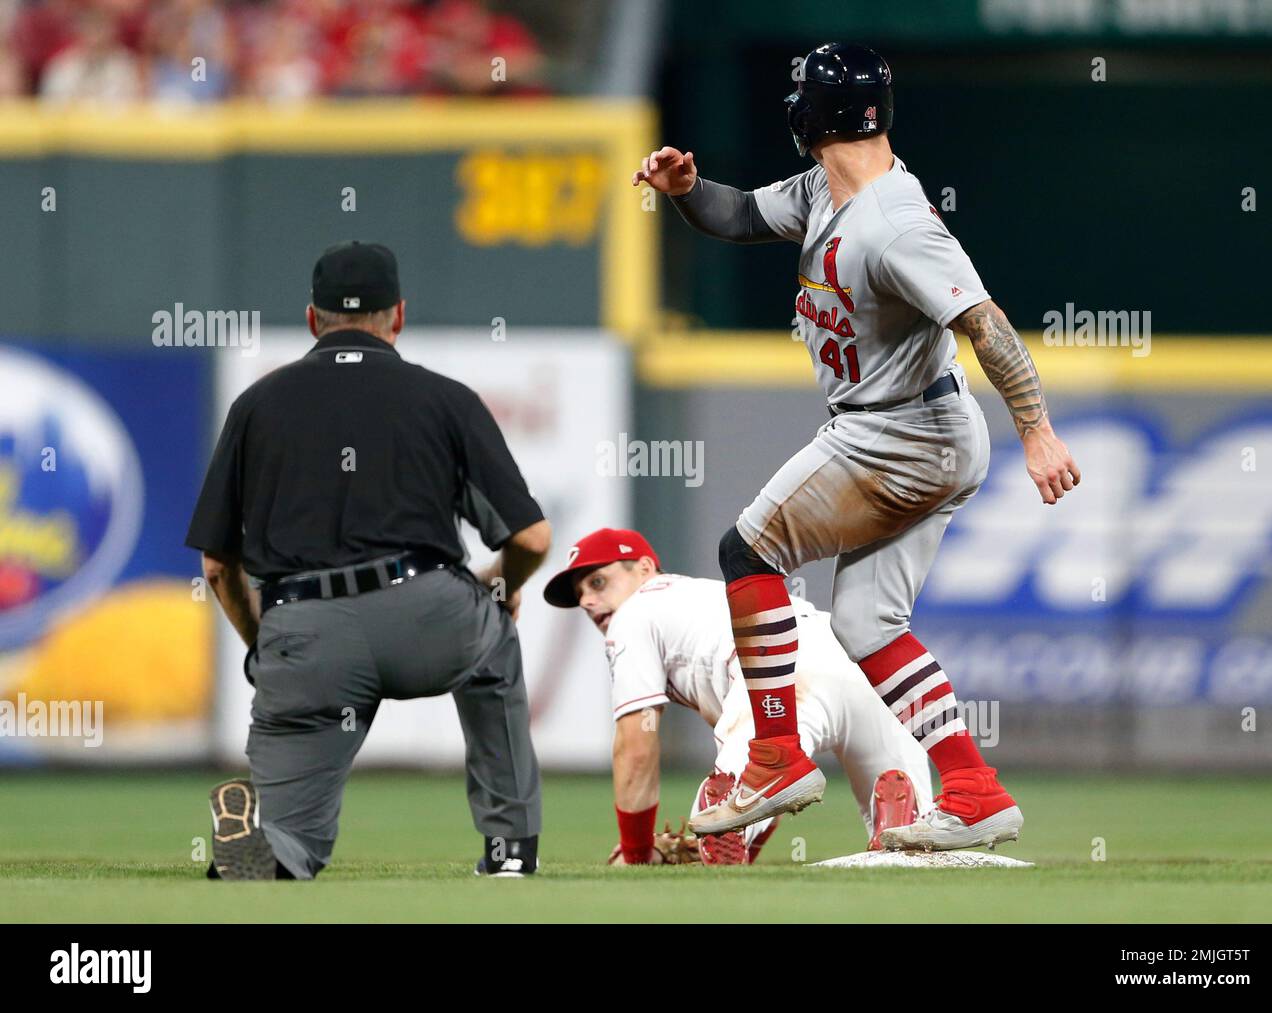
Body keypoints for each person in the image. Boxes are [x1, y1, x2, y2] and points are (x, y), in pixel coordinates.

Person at [632, 44, 1080, 850]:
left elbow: (984, 322)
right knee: (867, 624)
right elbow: (738, 216)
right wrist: (688, 189)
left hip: (900, 429)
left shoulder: (892, 220)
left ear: (814, 117)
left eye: (799, 97)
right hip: (912, 427)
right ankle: (976, 787)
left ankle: (774, 755)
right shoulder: (826, 190)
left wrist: (1038, 430)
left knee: (749, 550)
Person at [187, 241, 551, 879]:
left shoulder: (256, 406)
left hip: (304, 629)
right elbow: (532, 539)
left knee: (281, 844)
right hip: (428, 615)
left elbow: (218, 566)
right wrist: (500, 589)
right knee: (493, 649)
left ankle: (270, 844)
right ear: (399, 316)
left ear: (311, 319)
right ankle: (509, 852)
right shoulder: (446, 400)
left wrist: (263, 645)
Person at [543, 528, 932, 865]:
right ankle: (899, 819)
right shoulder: (698, 597)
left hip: (778, 675)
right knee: (916, 840)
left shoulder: (632, 614)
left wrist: (637, 851)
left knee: (722, 811)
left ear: (644, 568)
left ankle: (731, 807)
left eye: (597, 582)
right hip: (856, 657)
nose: (587, 601)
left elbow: (635, 746)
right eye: (579, 594)